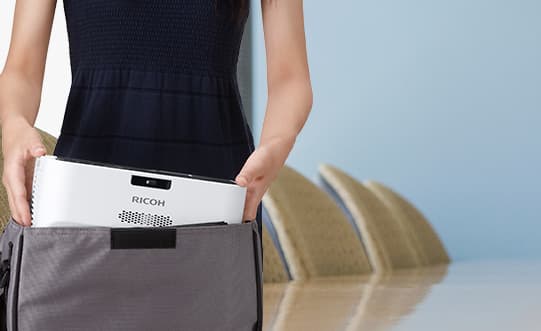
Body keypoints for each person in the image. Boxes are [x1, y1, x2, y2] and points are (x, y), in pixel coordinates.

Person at [0, 0, 312, 225]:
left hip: (216, 201)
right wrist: (14, 125)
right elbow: (21, 69)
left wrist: (275, 145)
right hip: (86, 197)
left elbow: (291, 79)